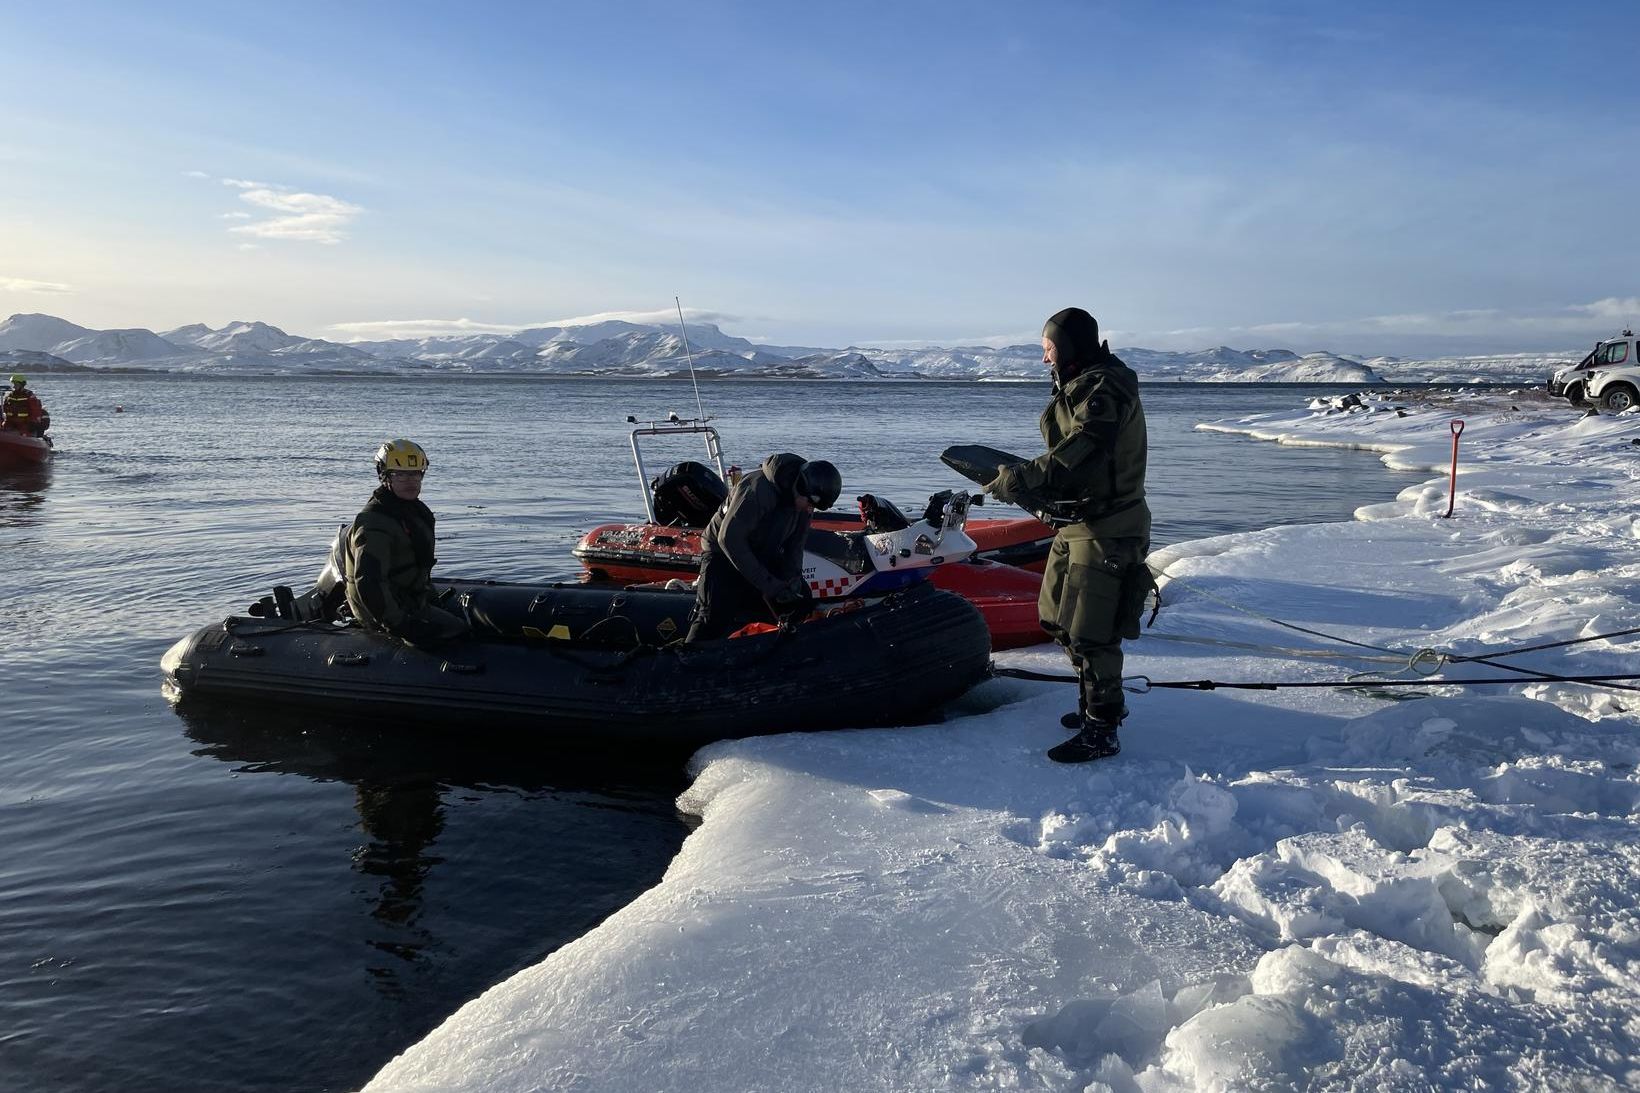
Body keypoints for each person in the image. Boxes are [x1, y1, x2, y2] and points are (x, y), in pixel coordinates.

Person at [987, 308, 1151, 763]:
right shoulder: (1084, 382)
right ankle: (1090, 703)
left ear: (1071, 347)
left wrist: (1024, 478)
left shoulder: (1105, 389)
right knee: (1057, 616)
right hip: (1076, 523)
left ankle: (1103, 726)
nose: (1045, 360)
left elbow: (1084, 450)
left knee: (1091, 630)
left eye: (1049, 350)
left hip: (1108, 529)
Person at [685, 453, 842, 642]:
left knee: (801, 601)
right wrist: (770, 586)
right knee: (712, 615)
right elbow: (729, 540)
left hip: (763, 551)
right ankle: (690, 656)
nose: (810, 510)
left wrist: (793, 581)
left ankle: (780, 647)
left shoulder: (804, 506)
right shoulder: (757, 489)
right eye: (810, 503)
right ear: (801, 488)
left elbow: (796, 545)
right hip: (722, 553)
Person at [344, 439, 470, 648]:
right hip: (388, 614)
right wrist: (403, 625)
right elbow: (369, 582)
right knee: (460, 633)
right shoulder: (375, 522)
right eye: (400, 474)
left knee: (469, 622)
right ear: (385, 477)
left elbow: (418, 569)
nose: (410, 481)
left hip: (410, 600)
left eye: (415, 474)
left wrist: (430, 601)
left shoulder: (414, 512)